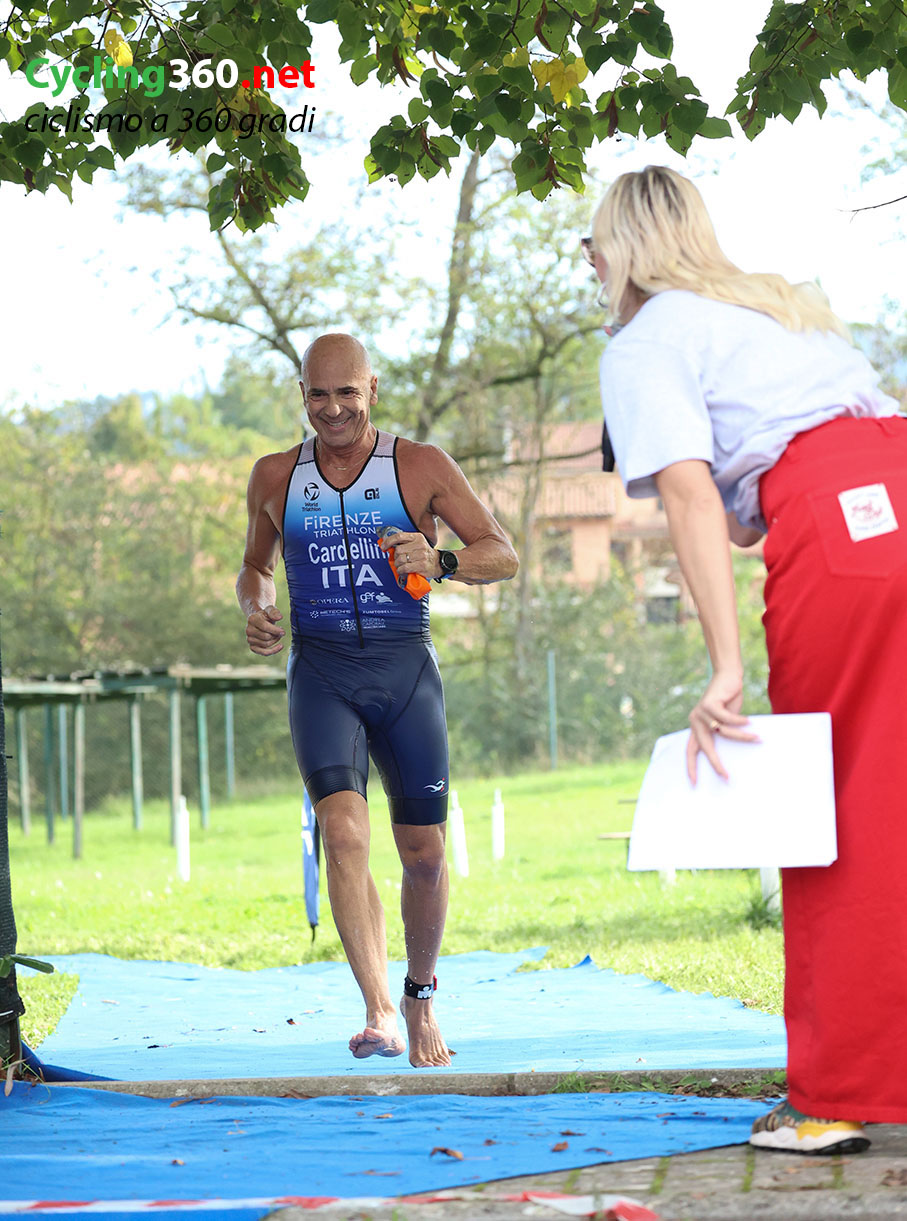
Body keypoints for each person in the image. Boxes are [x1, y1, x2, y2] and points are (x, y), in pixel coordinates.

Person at [587, 165, 907, 1153]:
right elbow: (743, 506)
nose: (588, 265)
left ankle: (834, 1093)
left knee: (833, 810)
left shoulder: (646, 339)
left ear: (619, 249)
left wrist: (723, 666)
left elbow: (692, 499)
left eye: (590, 245)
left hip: (838, 529)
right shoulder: (776, 308)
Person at [236, 333, 518, 1068]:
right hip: (321, 674)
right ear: (302, 395)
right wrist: (256, 606)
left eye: (347, 394)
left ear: (371, 390)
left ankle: (420, 994)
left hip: (405, 673)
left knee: (423, 855)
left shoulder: (419, 465)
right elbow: (254, 567)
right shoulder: (274, 476)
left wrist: (443, 560)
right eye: (318, 395)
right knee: (343, 834)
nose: (332, 409)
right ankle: (379, 1010)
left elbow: (502, 553)